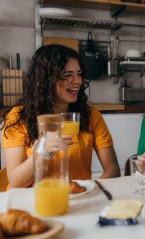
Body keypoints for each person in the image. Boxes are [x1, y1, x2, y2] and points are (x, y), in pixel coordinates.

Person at [1, 44, 120, 188]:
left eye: (79, 73)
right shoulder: (18, 118)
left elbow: (112, 169)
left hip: (77, 198)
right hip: (33, 201)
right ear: (46, 80)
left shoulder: (90, 115)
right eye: (67, 75)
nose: (77, 81)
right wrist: (41, 153)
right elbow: (16, 182)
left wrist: (89, 190)